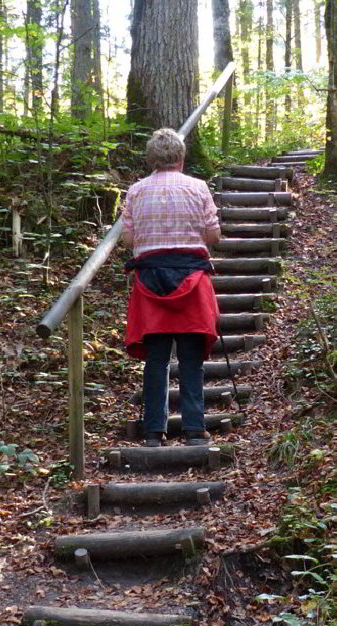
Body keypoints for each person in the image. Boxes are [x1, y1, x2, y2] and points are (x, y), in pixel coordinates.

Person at [121, 128, 221, 447]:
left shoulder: (136, 191)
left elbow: (128, 240)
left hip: (150, 282)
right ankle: (194, 429)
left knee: (157, 359)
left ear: (152, 159)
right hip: (192, 280)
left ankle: (154, 431)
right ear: (181, 157)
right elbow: (213, 235)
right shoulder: (198, 187)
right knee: (191, 358)